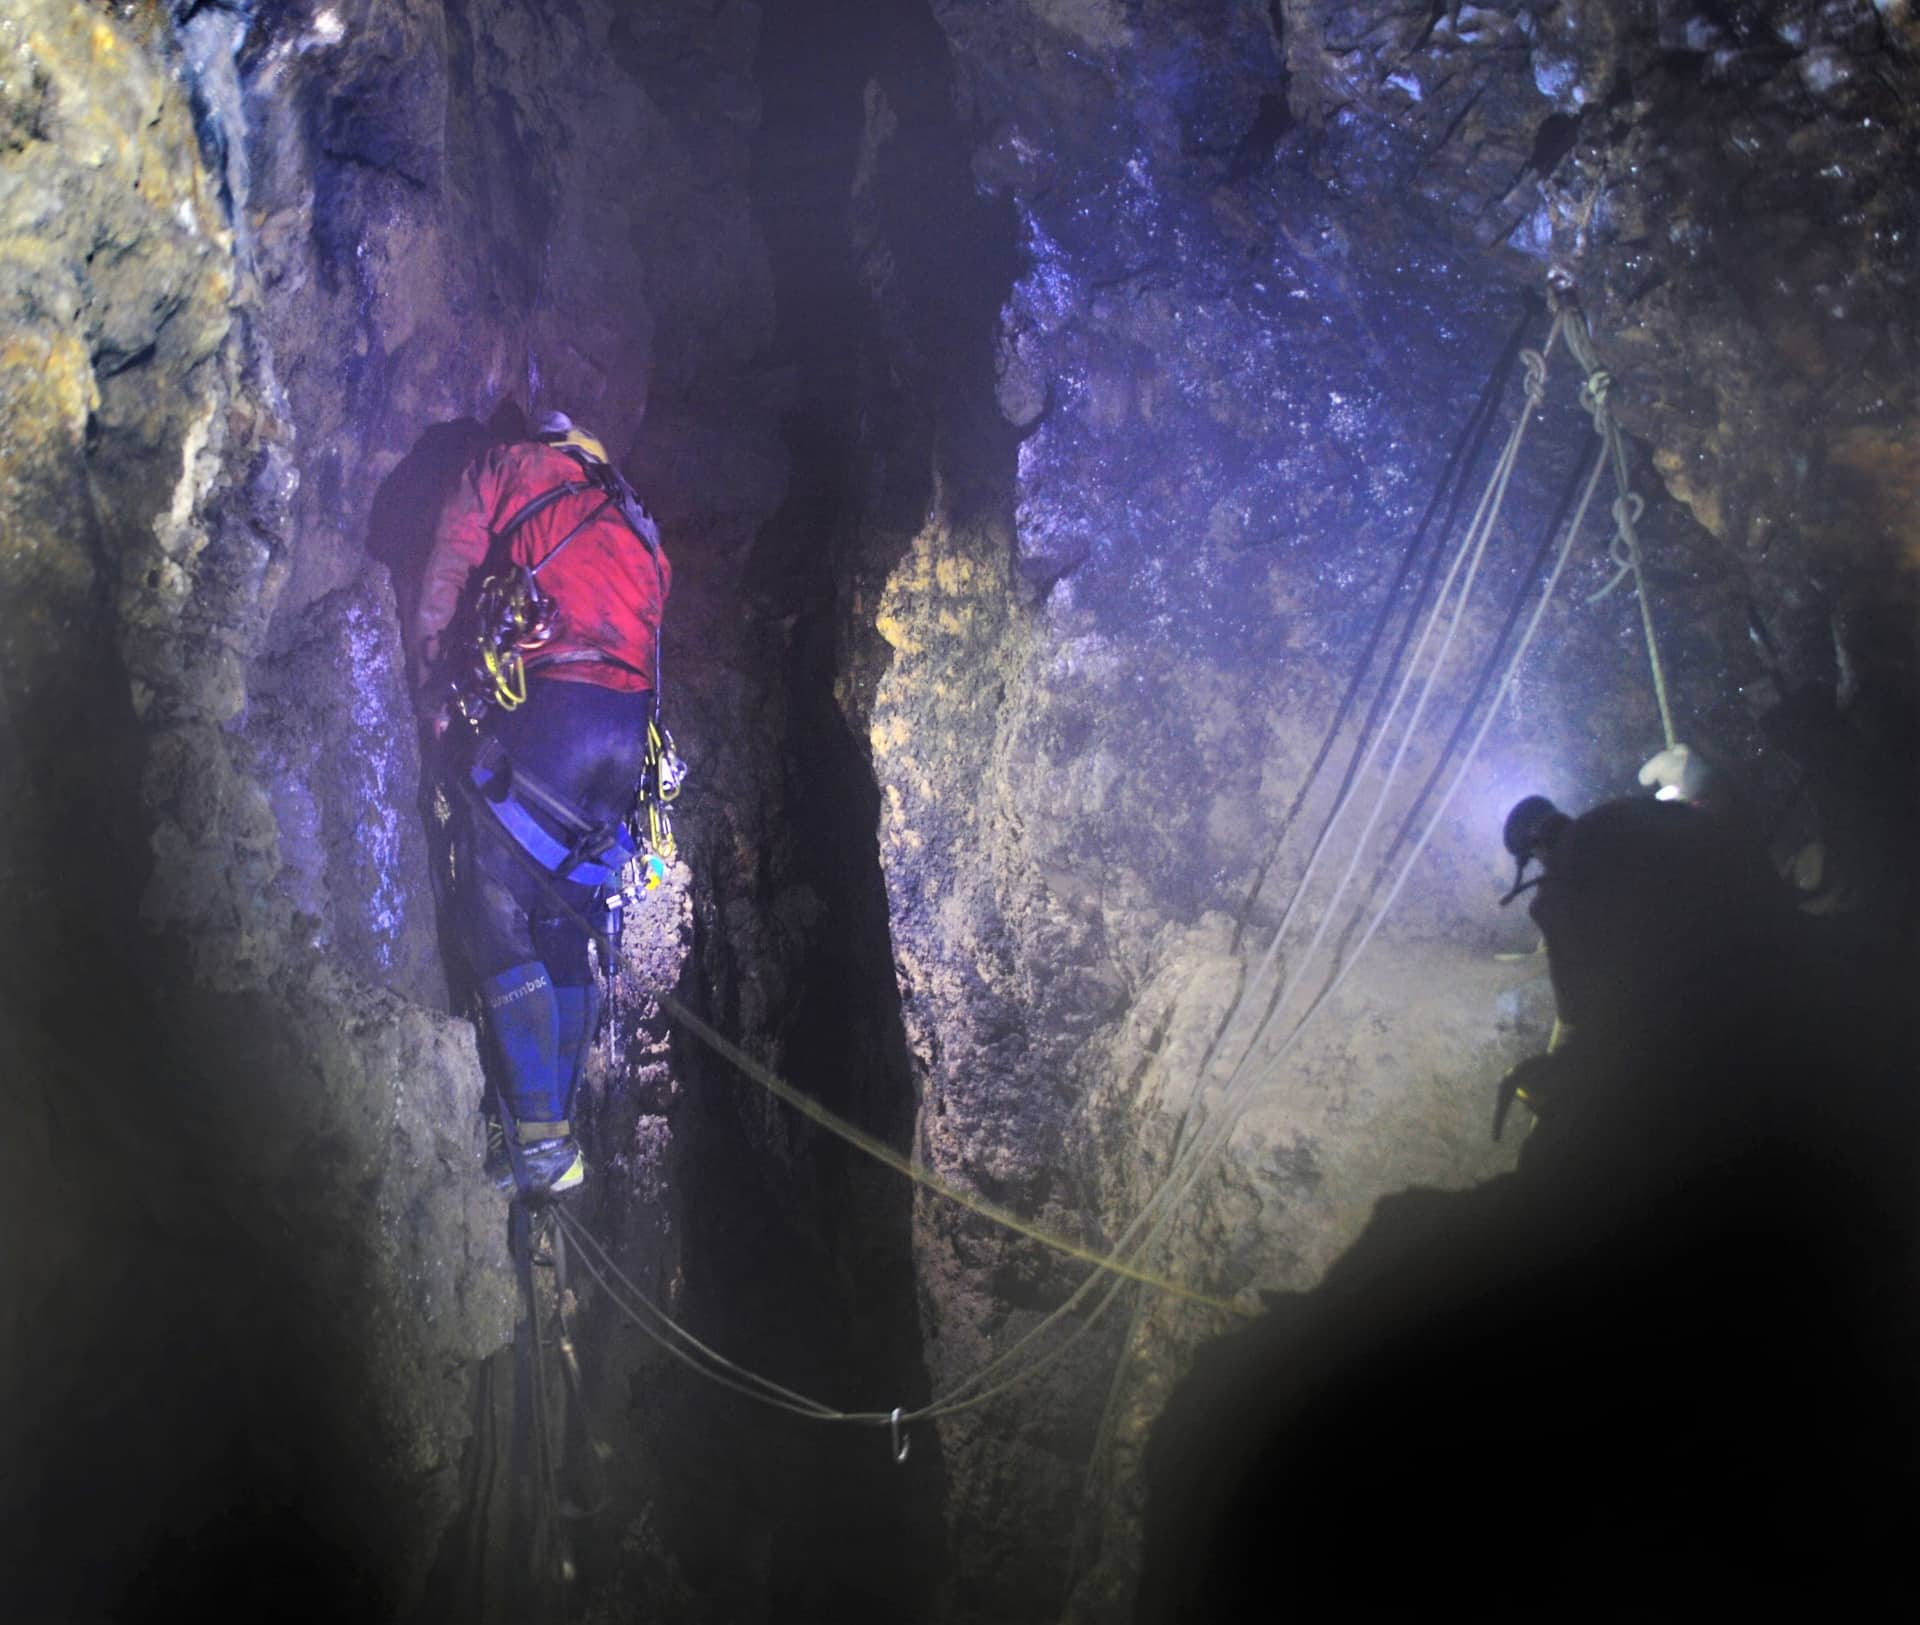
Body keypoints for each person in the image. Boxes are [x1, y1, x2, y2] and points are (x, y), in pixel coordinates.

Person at [415, 409, 671, 1196]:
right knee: (561, 918)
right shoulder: (642, 528)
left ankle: (536, 1142)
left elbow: (459, 530)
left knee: (495, 901)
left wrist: (431, 657)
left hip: (558, 709)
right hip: (627, 742)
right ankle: (550, 1133)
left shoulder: (521, 466)